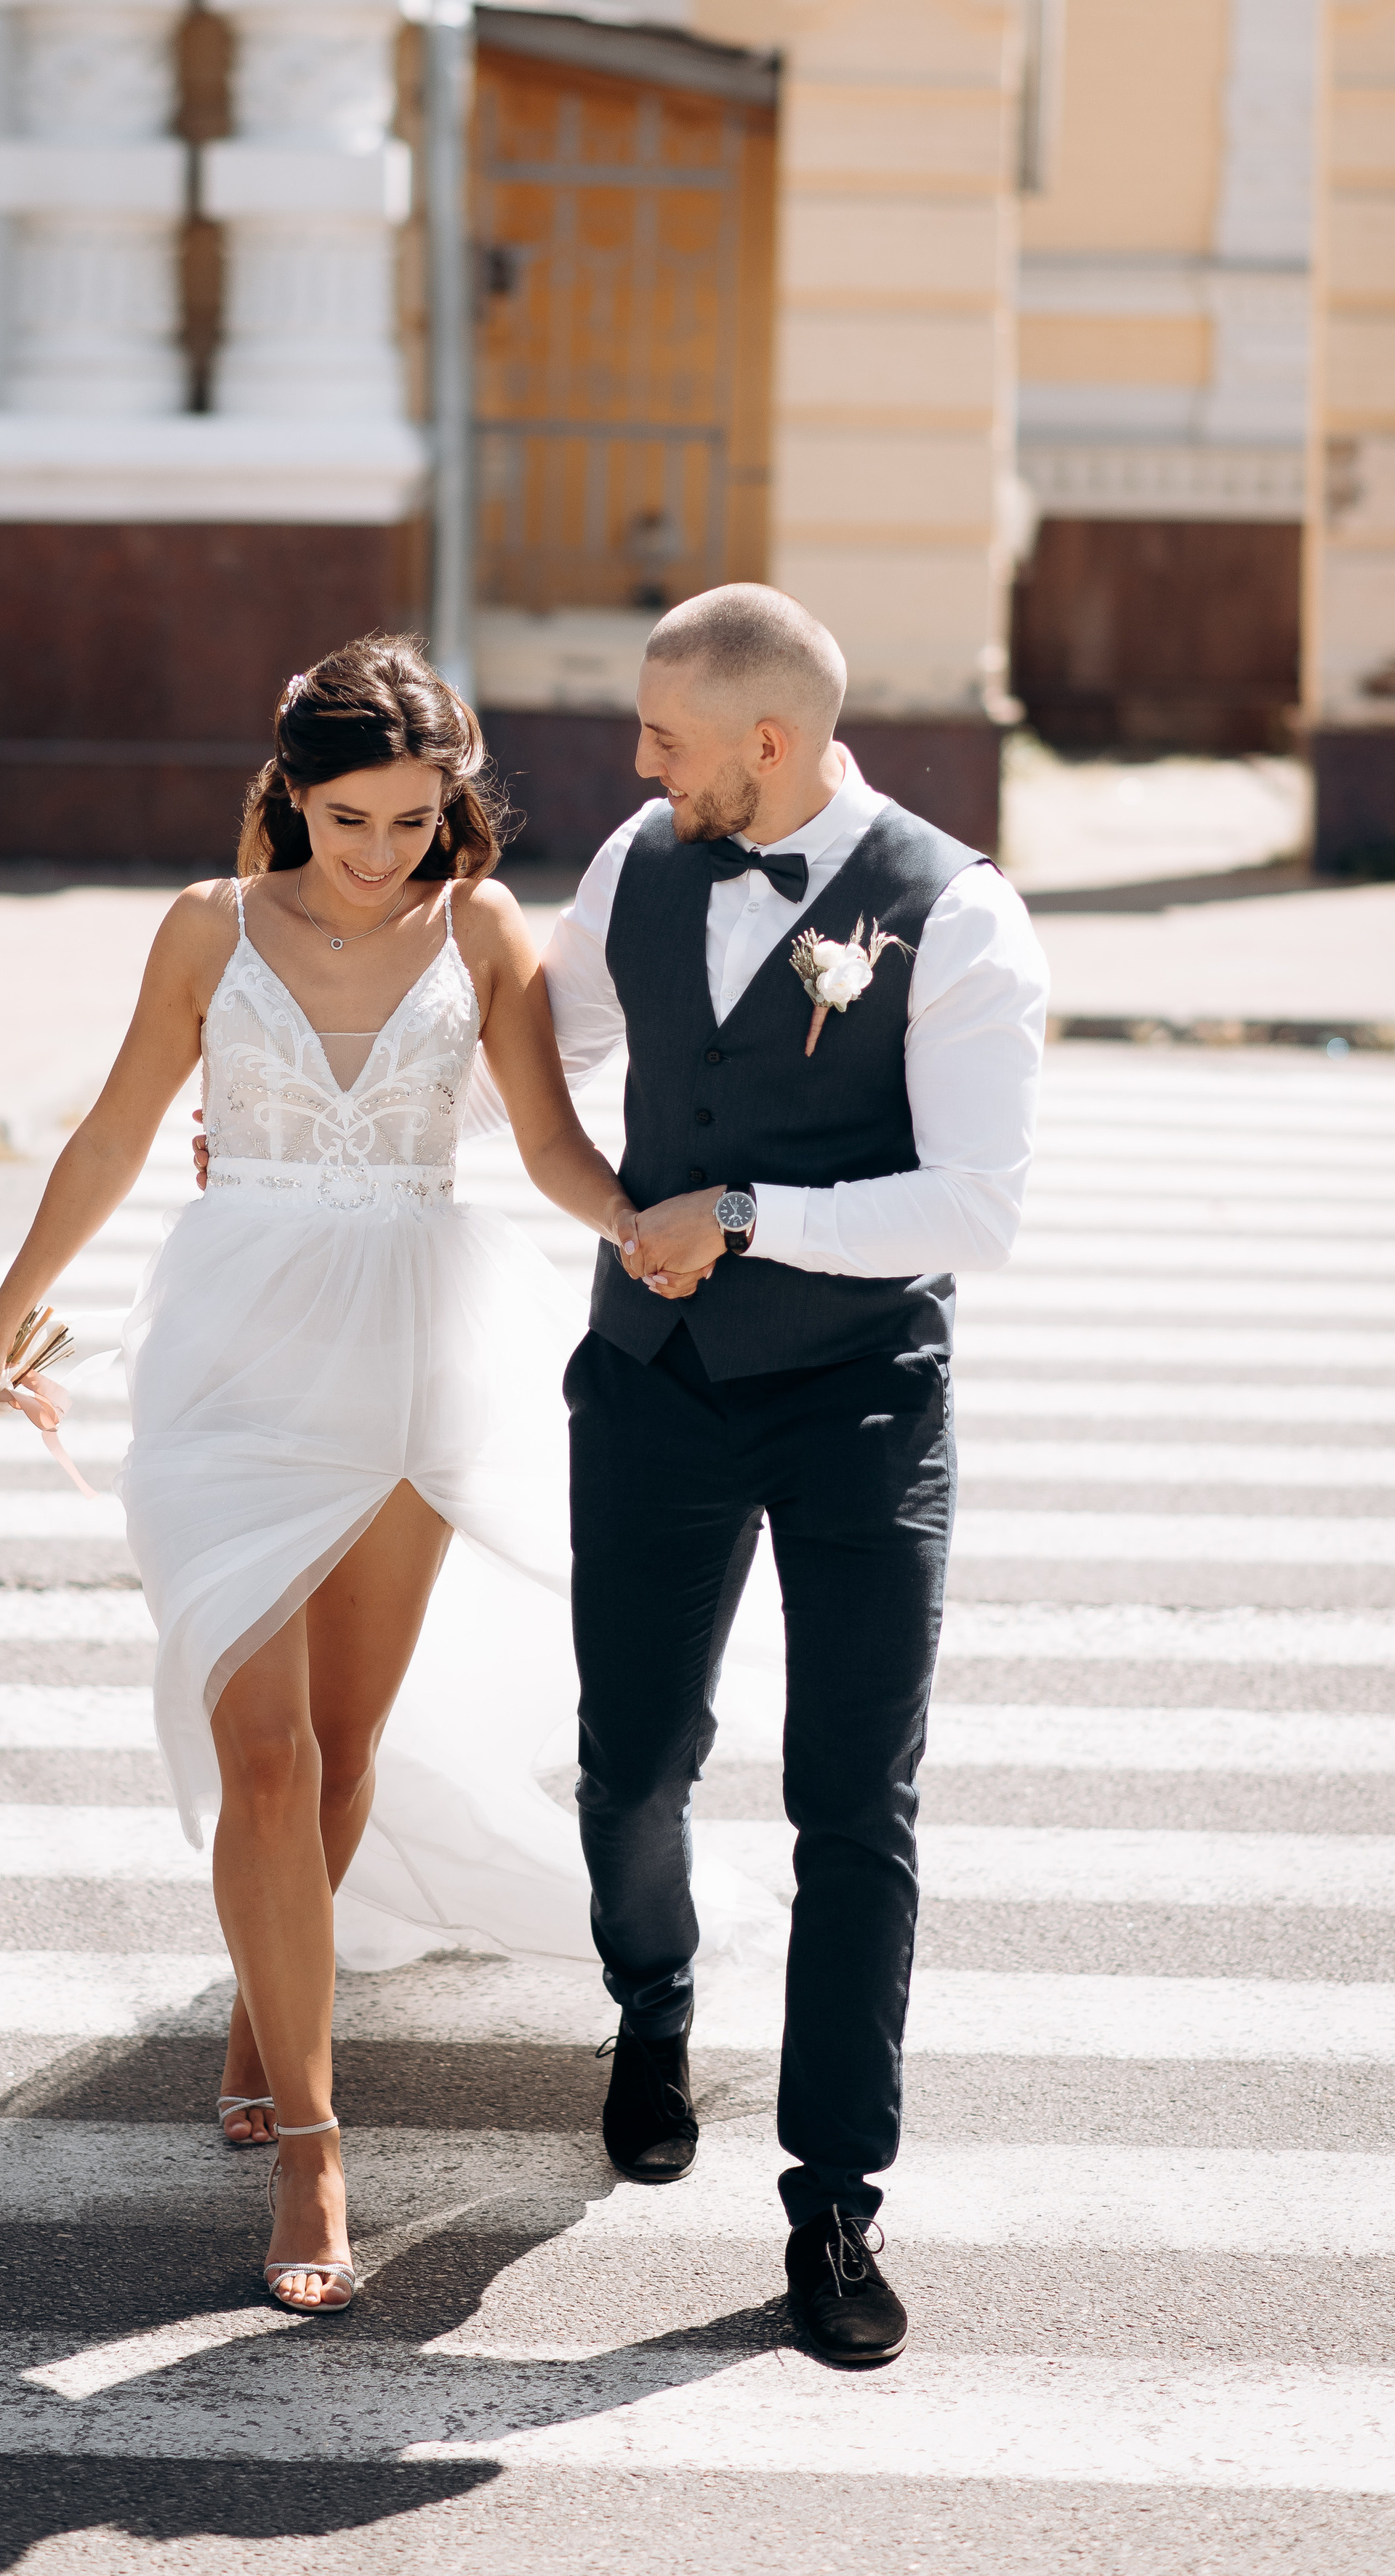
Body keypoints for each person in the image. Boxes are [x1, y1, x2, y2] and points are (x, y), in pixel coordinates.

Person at [0, 635, 696, 2317]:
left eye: (413, 820)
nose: (380, 852)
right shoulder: (206, 929)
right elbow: (114, 1134)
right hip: (226, 1363)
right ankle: (312, 2140)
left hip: (410, 1355)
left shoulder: (478, 931)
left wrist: (633, 1224)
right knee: (264, 1757)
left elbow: (546, 1141)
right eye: (349, 818)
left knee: (342, 1749)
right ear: (290, 793)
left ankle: (263, 2003)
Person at [542, 582, 1048, 2367]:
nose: (637, 764)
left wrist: (748, 1213)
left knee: (852, 1805)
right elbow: (545, 1048)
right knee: (631, 1758)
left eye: (663, 736)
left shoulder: (958, 914)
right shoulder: (636, 862)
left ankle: (833, 2199)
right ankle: (650, 2005)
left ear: (766, 742)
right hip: (654, 1385)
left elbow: (974, 1208)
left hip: (857, 1407)